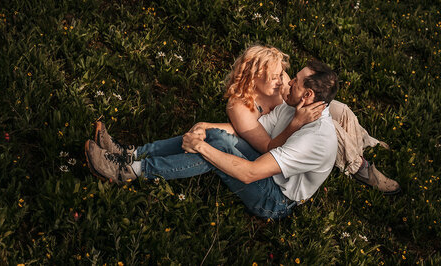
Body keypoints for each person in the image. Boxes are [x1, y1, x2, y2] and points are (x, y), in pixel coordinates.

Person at [85, 60, 340, 220]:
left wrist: (201, 147)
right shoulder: (294, 107)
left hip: (275, 199)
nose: (288, 82)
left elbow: (250, 173)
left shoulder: (316, 139)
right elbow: (250, 132)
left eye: (295, 82)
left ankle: (130, 171)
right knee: (215, 137)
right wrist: (205, 128)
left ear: (308, 95)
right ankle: (131, 153)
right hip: (264, 165)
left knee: (213, 150)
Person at [193, 45, 399, 194]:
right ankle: (359, 167)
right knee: (331, 128)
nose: (283, 81)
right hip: (288, 121)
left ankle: (364, 142)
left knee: (341, 110)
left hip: (292, 109)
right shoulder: (241, 107)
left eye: (281, 73)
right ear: (254, 77)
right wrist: (207, 127)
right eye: (275, 77)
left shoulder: (279, 79)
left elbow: (296, 91)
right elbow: (248, 132)